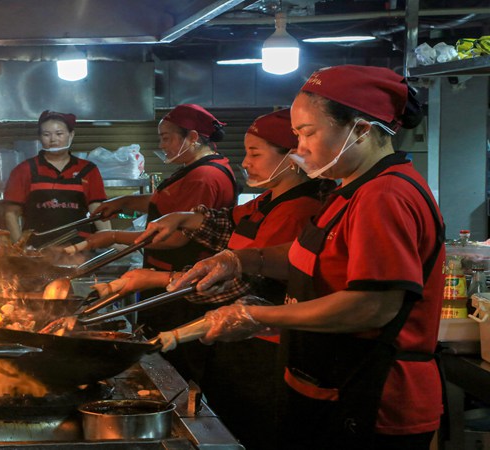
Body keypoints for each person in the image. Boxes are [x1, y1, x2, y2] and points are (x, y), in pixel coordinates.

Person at [166, 65, 445, 450]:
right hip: (327, 383)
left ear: (361, 129)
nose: (298, 149)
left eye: (308, 133)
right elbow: (312, 257)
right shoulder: (349, 189)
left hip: (372, 398)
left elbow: (372, 306)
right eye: (297, 135)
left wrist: (256, 315)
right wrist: (241, 260)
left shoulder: (385, 196)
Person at [99, 109, 333, 450]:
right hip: (234, 342)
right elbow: (227, 222)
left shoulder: (297, 211)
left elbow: (241, 287)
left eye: (256, 154)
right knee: (229, 417)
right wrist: (182, 218)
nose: (245, 162)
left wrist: (155, 279)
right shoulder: (268, 200)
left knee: (250, 432)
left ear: (293, 158)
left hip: (265, 350)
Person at [82, 104, 238, 384]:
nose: (161, 145)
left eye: (166, 138)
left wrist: (113, 236)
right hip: (166, 285)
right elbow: (164, 203)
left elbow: (176, 238)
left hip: (184, 291)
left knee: (177, 367)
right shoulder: (191, 169)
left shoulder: (206, 177)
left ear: (191, 137)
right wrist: (125, 202)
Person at [3, 110, 110, 248]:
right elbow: (11, 213)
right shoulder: (24, 170)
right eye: (46, 135)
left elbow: (98, 210)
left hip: (79, 249)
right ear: (40, 138)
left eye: (59, 134)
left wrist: (110, 238)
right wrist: (19, 248)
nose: (53, 139)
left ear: (71, 135)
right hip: (37, 250)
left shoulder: (88, 170)